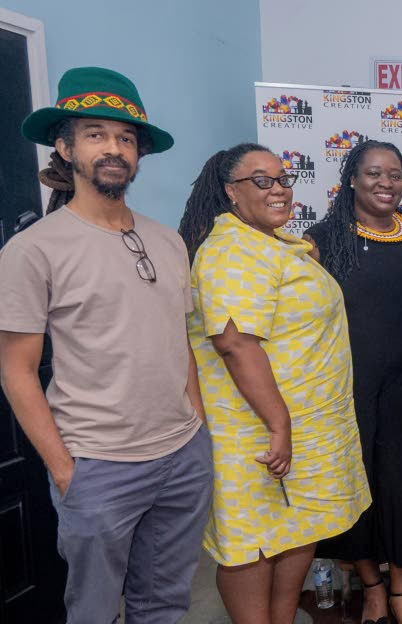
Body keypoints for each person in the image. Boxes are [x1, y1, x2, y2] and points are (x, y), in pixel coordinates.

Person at [0, 66, 213, 623]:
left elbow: (179, 340)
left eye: (125, 137)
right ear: (66, 147)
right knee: (94, 610)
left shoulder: (168, 240)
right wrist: (64, 469)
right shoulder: (33, 250)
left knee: (164, 603)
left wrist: (198, 424)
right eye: (95, 133)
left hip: (182, 454)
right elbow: (17, 370)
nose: (113, 147)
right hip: (97, 465)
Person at [180, 142, 371, 624]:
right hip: (257, 431)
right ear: (230, 192)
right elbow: (235, 344)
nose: (279, 189)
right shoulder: (230, 249)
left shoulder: (277, 242)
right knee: (252, 544)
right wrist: (279, 422)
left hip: (305, 426)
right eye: (262, 181)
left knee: (295, 529)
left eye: (284, 179)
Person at [304, 140, 402, 624]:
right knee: (357, 487)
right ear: (351, 178)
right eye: (374, 173)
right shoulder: (320, 240)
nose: (386, 183)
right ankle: (372, 587)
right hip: (347, 387)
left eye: (395, 174)